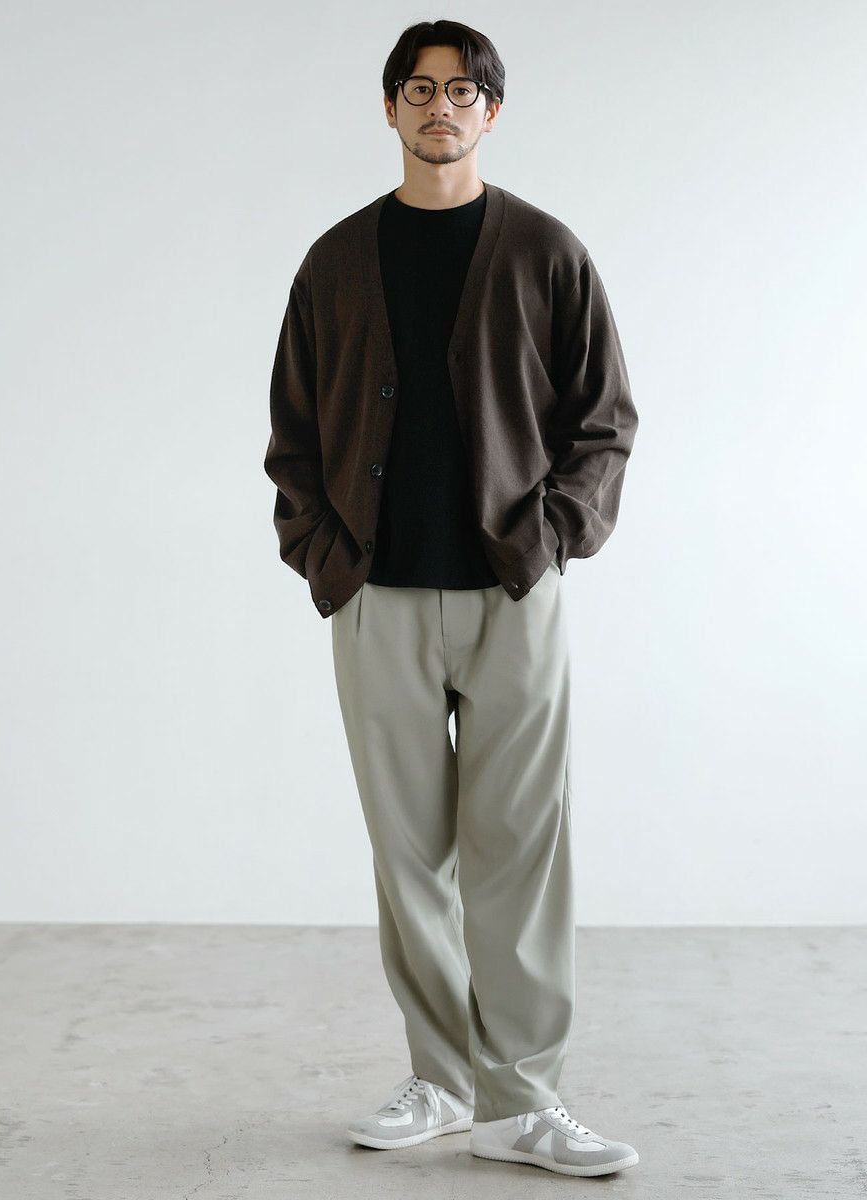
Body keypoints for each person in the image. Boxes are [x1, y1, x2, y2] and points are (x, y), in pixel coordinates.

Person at [263, 18, 640, 1179]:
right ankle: (440, 1079)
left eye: (463, 91)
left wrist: (551, 536)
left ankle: (522, 1099)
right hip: (376, 596)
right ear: (389, 108)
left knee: (519, 848)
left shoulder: (545, 251)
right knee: (407, 853)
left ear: (492, 111)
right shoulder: (336, 261)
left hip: (511, 593)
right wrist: (322, 553)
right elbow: (292, 436)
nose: (442, 108)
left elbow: (603, 423)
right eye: (420, 90)